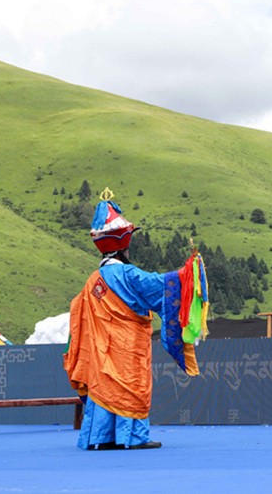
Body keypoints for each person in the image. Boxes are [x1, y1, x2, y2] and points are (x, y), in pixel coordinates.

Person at [64, 188, 208, 450]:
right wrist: (189, 272)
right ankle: (132, 437)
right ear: (122, 247)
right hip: (128, 347)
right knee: (130, 386)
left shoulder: (92, 281)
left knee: (104, 385)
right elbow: (161, 286)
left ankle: (101, 438)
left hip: (101, 350)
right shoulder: (128, 275)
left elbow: (77, 312)